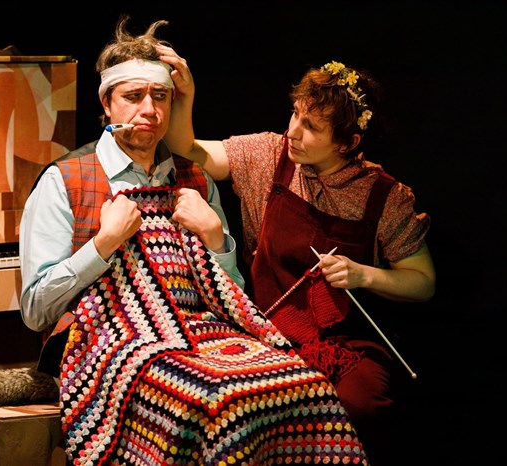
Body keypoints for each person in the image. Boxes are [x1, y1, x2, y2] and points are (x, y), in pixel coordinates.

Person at [19, 16, 371, 465]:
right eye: (133, 97)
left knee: (307, 387)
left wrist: (215, 237)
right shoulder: (65, 179)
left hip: (203, 336)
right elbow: (35, 310)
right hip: (104, 345)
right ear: (107, 103)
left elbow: (233, 296)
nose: (149, 109)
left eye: (160, 96)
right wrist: (102, 245)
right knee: (219, 402)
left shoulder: (194, 178)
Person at [161, 49, 436, 463]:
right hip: (267, 332)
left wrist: (364, 275)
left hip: (348, 343)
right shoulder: (267, 156)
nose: (293, 131)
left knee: (357, 406)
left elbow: (423, 282)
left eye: (311, 127)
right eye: (295, 114)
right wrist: (186, 95)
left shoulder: (384, 196)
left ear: (348, 142)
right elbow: (187, 147)